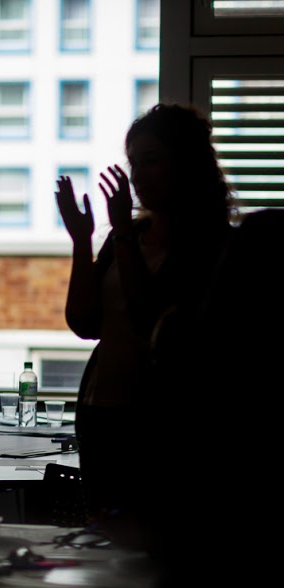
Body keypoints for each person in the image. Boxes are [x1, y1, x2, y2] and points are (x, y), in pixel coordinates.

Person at [55, 103, 233, 547]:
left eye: (152, 160)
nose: (138, 175)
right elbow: (83, 322)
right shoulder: (127, 238)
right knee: (105, 543)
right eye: (134, 163)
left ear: (187, 163)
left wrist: (118, 230)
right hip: (101, 412)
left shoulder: (215, 245)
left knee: (154, 545)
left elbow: (149, 319)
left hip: (161, 423)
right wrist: (82, 241)